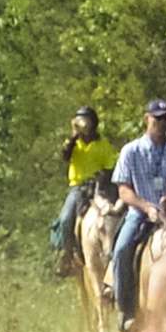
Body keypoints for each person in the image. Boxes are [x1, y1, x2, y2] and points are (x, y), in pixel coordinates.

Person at [110, 99, 166, 332]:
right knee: (122, 249)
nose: (161, 123)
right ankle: (127, 309)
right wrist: (146, 207)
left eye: (165, 119)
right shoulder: (130, 151)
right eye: (157, 119)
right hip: (140, 214)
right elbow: (123, 189)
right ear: (146, 119)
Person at [50, 106, 118, 272]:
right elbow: (65, 155)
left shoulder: (103, 144)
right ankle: (67, 254)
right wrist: (73, 137)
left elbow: (111, 166)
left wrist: (101, 176)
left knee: (114, 214)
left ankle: (114, 250)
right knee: (66, 218)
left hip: (98, 186)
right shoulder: (74, 144)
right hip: (78, 187)